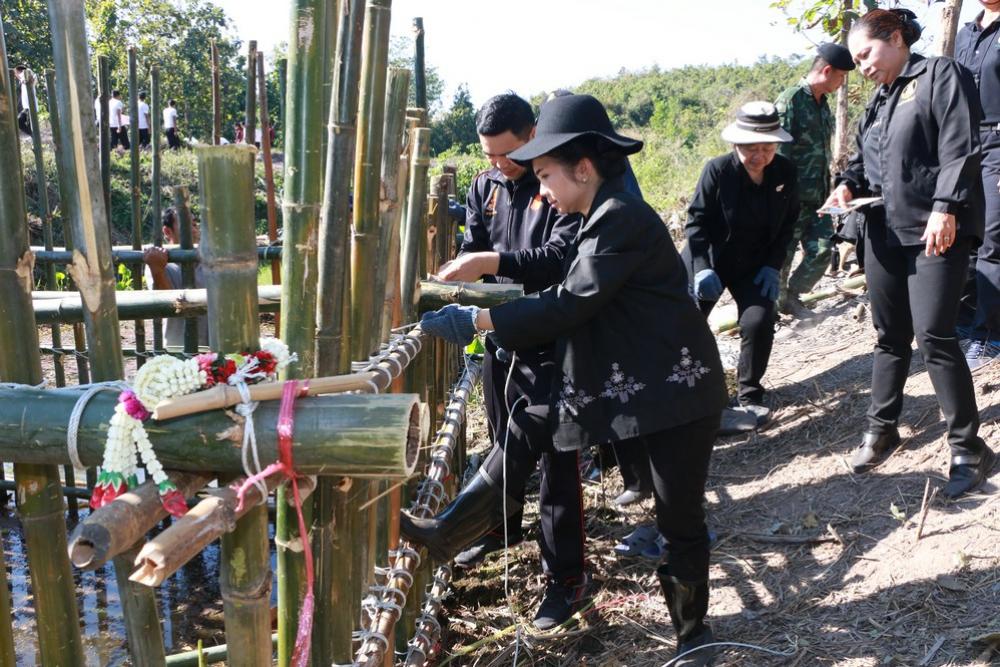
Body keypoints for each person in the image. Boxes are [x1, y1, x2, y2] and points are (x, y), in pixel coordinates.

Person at [411, 94, 728, 665]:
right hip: (630, 377)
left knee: (677, 516)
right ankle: (451, 529)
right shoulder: (596, 215)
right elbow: (565, 294)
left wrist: (481, 320)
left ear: (582, 168)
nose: (542, 190)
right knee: (531, 421)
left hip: (676, 390)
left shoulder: (620, 218)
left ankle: (693, 634)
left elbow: (569, 301)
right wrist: (495, 316)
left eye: (545, 175)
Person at [824, 8, 997, 498]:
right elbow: (862, 162)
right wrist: (845, 186)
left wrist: (947, 207)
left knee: (935, 335)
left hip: (933, 229)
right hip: (881, 230)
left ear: (897, 39)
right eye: (856, 60)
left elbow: (961, 144)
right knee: (889, 335)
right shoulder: (878, 99)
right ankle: (881, 429)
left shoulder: (939, 74)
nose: (863, 66)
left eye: (867, 54)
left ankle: (968, 448)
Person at [427, 93, 584, 630]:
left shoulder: (554, 182)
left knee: (558, 463)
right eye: (489, 154)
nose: (499, 163)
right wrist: (466, 269)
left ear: (532, 134)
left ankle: (565, 579)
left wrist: (489, 262)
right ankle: (501, 528)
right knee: (502, 442)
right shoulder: (484, 185)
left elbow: (557, 260)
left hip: (553, 339)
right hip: (500, 337)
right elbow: (474, 244)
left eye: (508, 153)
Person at [684, 101, 799, 426]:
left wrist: (773, 265)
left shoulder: (785, 172)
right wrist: (702, 267)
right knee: (689, 326)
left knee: (759, 320)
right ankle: (694, 398)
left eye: (767, 148)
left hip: (755, 263)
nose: (759, 156)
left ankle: (749, 394)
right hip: (711, 261)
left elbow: (788, 224)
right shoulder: (718, 171)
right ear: (736, 144)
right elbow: (696, 223)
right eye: (751, 148)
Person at [775, 43, 856, 317]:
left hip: (819, 196)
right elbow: (778, 154)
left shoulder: (823, 105)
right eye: (841, 76)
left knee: (823, 250)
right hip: (791, 197)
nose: (842, 83)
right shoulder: (791, 100)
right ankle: (771, 311)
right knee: (783, 256)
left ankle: (792, 296)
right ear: (827, 71)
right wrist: (780, 197)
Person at [955, 1, 1000, 369]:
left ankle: (989, 336)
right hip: (962, 145)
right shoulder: (964, 34)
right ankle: (965, 323)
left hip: (998, 143)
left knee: (994, 239)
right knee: (966, 236)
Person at [143, 208, 209, 348]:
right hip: (178, 346)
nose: (194, 230)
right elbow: (166, 303)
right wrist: (157, 269)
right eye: (186, 225)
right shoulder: (158, 262)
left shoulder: (209, 259)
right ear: (167, 231)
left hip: (213, 345)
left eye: (194, 224)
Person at [13, 65, 32, 135]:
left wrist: (20, 77)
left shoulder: (26, 75)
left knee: (20, 122)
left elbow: (26, 80)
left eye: (16, 72)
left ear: (19, 71)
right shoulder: (21, 80)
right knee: (20, 122)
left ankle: (34, 136)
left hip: (30, 106)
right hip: (26, 107)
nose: (15, 75)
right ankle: (33, 136)